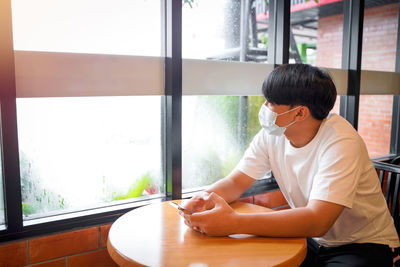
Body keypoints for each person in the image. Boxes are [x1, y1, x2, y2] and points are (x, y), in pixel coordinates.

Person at [180, 64, 400, 266]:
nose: (265, 107)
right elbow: (236, 182)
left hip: (363, 245)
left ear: (301, 112)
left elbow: (317, 220)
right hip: (313, 240)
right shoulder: (273, 135)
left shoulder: (341, 142)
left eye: (272, 102)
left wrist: (234, 223)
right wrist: (202, 199)